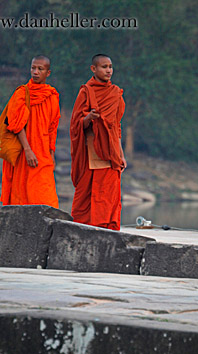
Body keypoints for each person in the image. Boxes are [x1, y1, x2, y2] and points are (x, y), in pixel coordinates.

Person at [70, 54, 126, 231]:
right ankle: (83, 228)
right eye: (104, 67)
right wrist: (88, 118)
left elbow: (116, 126)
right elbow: (75, 124)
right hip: (91, 151)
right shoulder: (86, 91)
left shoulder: (115, 93)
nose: (108, 70)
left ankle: (107, 227)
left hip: (110, 151)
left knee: (108, 194)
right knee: (86, 193)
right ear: (93, 69)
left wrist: (121, 154)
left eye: (110, 66)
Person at [0, 55, 60, 208]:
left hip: (43, 153)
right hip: (23, 152)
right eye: (33, 68)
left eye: (40, 69)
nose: (36, 72)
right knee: (22, 192)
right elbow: (15, 124)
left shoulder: (52, 96)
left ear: (48, 73)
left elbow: (52, 127)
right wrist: (27, 150)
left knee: (47, 198)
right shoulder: (22, 93)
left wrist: (51, 154)